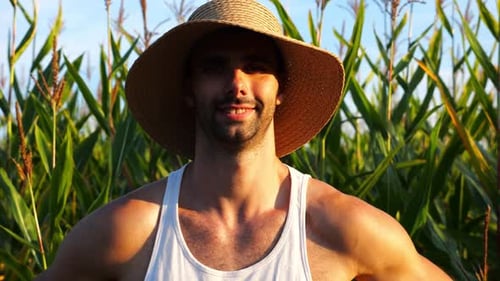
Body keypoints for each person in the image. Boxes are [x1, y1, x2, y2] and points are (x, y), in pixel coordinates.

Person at [35, 0, 452, 280]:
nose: (237, 84)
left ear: (281, 89)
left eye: (255, 67)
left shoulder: (342, 229)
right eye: (215, 67)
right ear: (188, 89)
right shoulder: (128, 232)